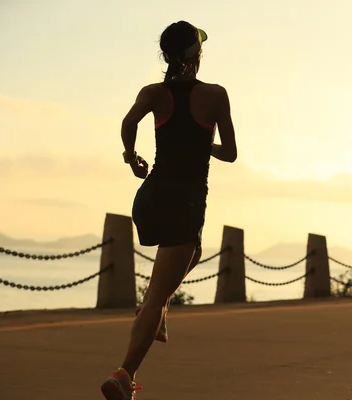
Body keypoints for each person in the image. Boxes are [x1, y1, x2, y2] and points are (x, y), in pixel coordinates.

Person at [101, 20, 237, 400]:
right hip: (185, 201)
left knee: (193, 252)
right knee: (158, 295)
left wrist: (131, 158)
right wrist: (201, 144)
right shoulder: (215, 95)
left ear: (166, 56)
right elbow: (230, 152)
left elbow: (129, 124)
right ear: (198, 56)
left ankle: (155, 311)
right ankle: (124, 375)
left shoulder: (153, 93)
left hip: (149, 197)